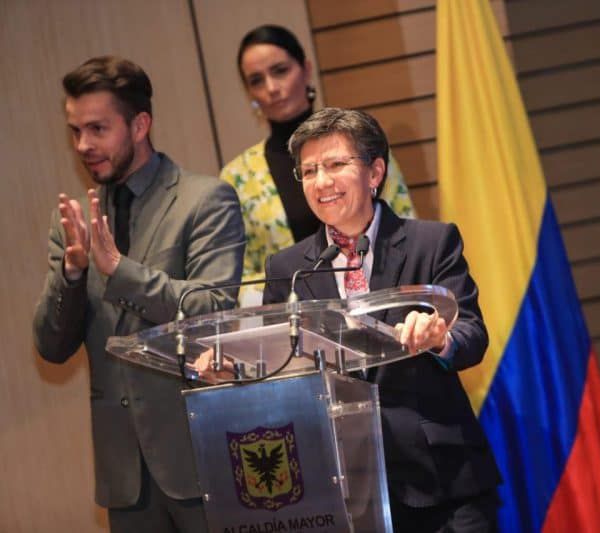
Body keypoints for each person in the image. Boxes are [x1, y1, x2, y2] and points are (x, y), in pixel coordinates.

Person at [32, 56, 245, 532]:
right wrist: (71, 274)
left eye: (97, 129)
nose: (83, 145)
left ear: (140, 125)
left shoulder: (204, 200)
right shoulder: (74, 223)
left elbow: (212, 309)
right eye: (75, 131)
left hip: (198, 458)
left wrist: (119, 270)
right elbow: (50, 347)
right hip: (123, 474)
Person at [262, 108, 500, 532]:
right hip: (341, 487)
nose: (321, 182)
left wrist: (440, 337)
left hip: (442, 482)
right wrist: (236, 371)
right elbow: (278, 364)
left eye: (335, 164)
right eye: (309, 171)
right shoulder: (288, 269)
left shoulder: (431, 242)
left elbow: (472, 334)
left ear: (374, 172)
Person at [220, 24, 416, 306]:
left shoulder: (364, 145)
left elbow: (405, 230)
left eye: (280, 71)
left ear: (306, 69)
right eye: (256, 80)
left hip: (380, 302)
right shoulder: (237, 176)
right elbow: (236, 277)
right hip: (293, 317)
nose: (272, 88)